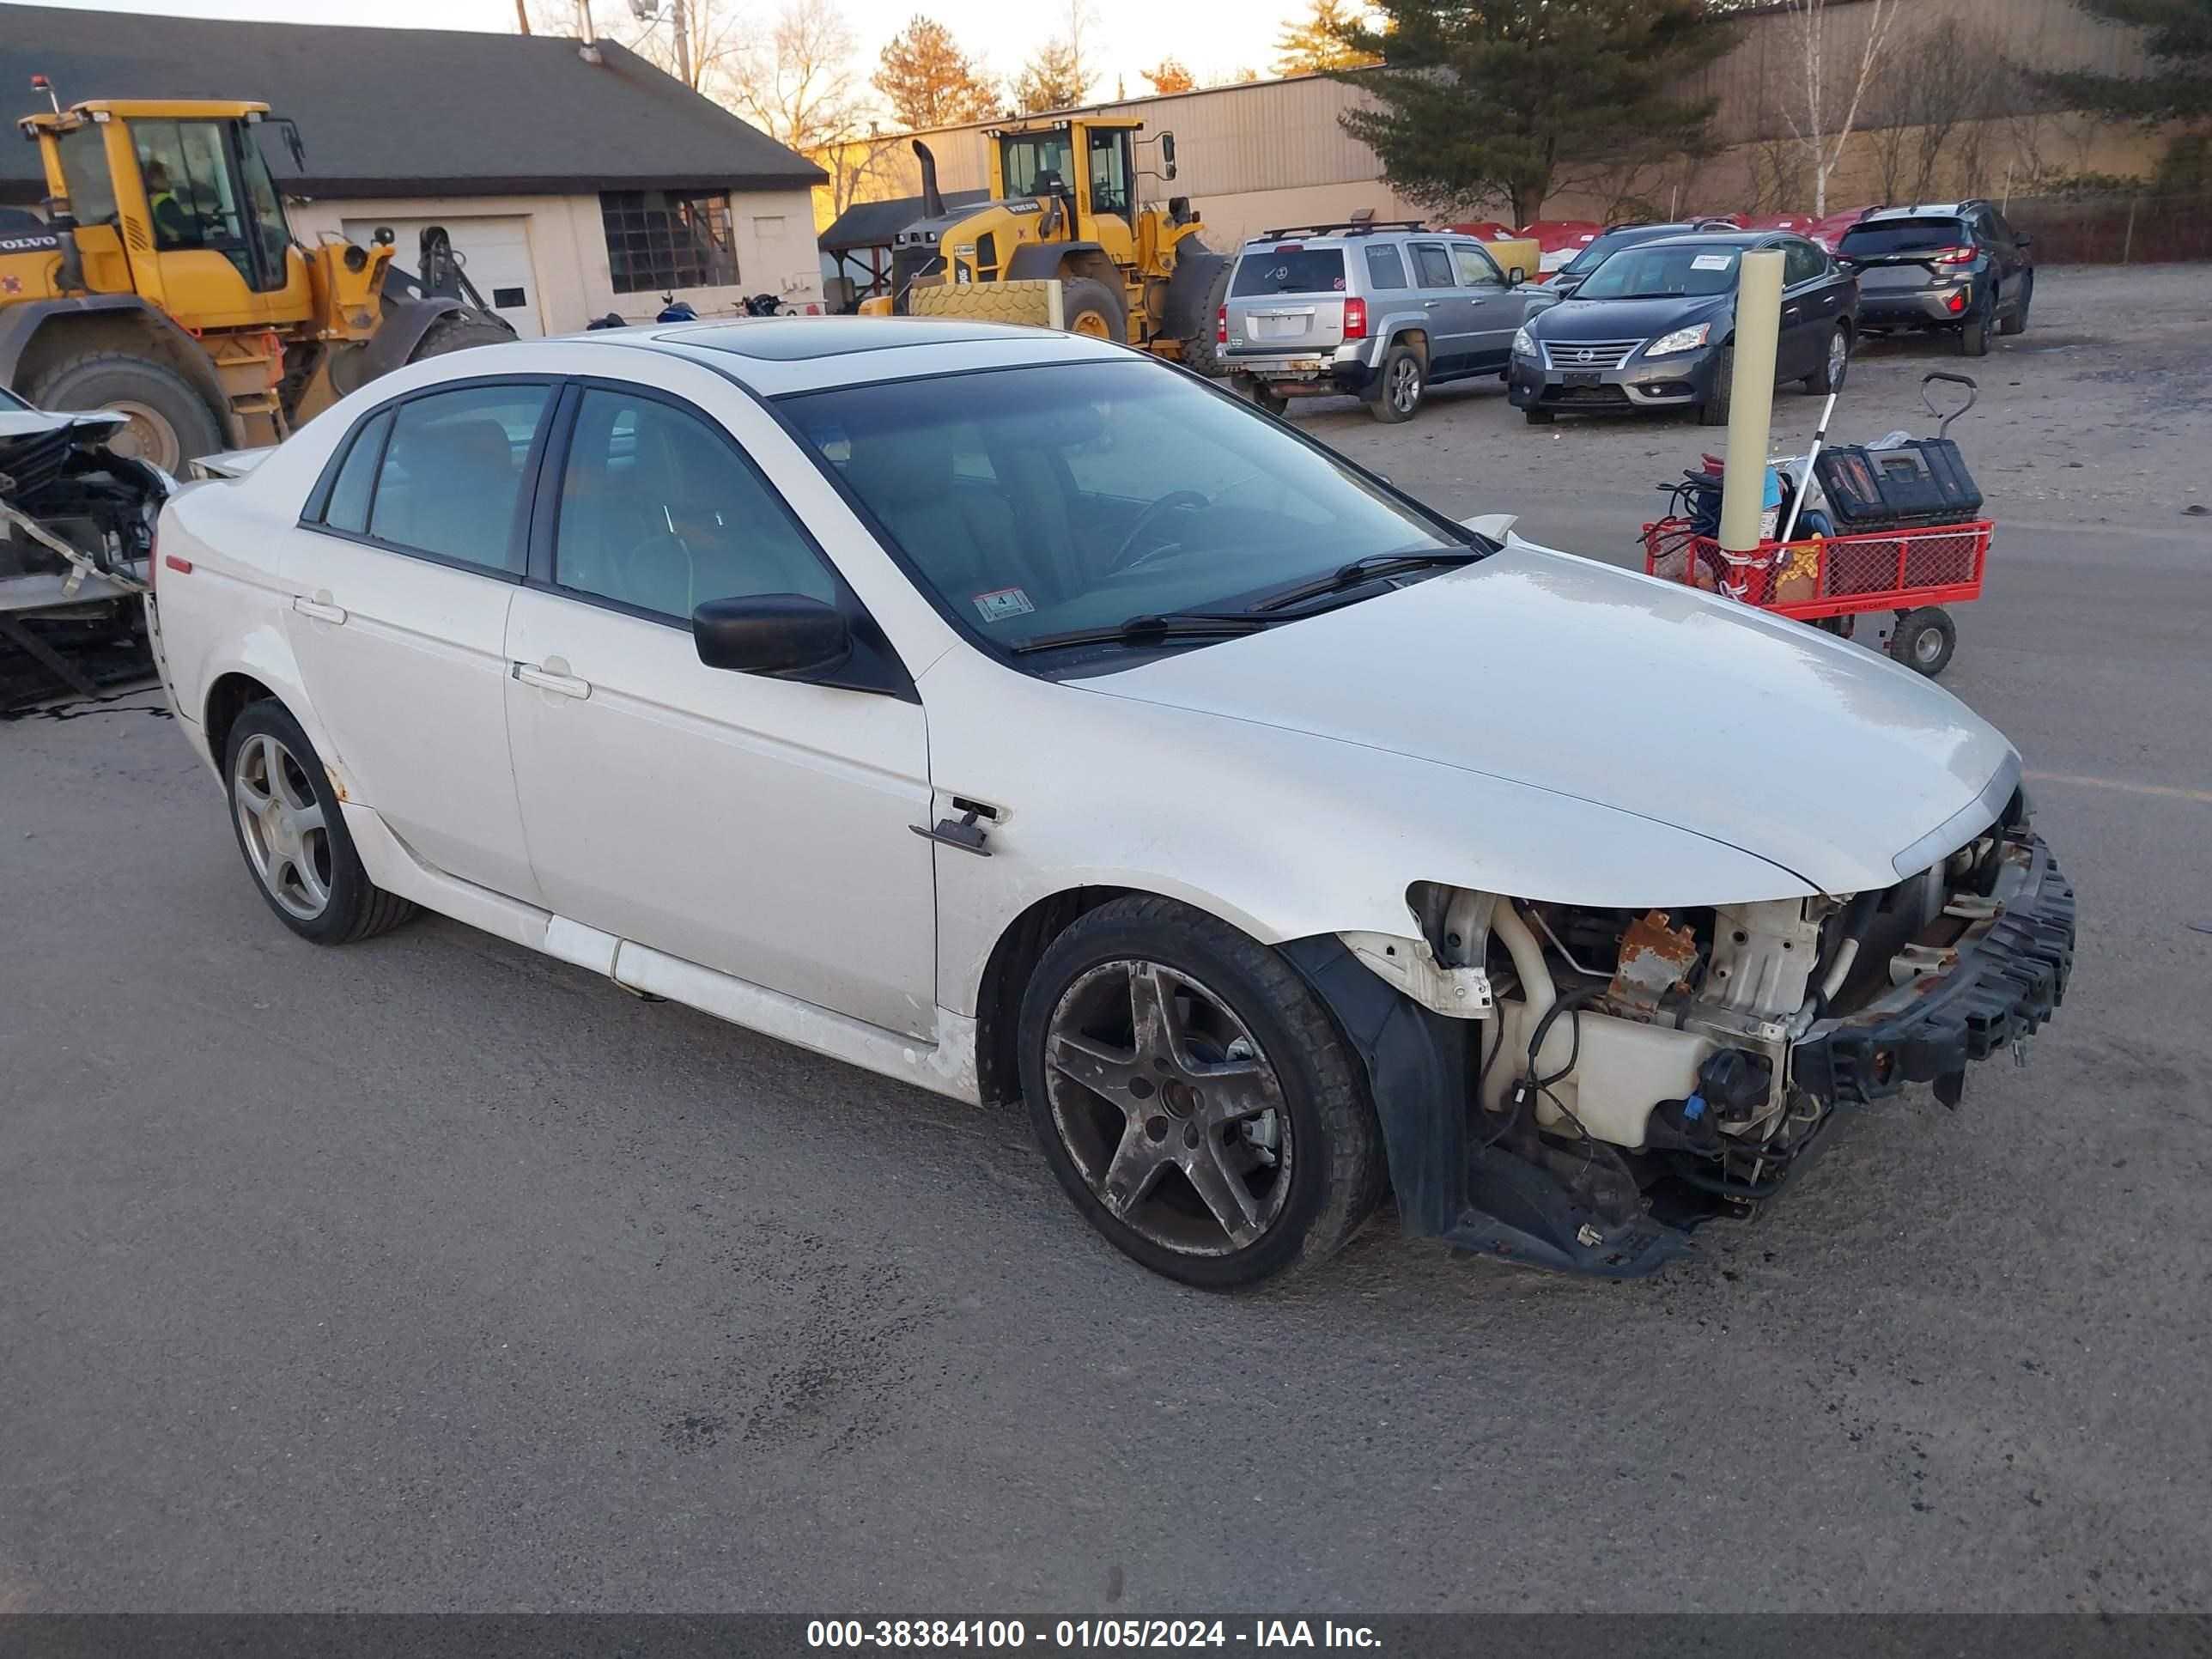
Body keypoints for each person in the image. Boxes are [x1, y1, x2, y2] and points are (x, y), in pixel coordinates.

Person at [142, 160, 191, 248]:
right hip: (177, 246)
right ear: (155, 179)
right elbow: (185, 228)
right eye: (166, 175)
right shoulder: (165, 202)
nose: (170, 180)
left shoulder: (149, 199)